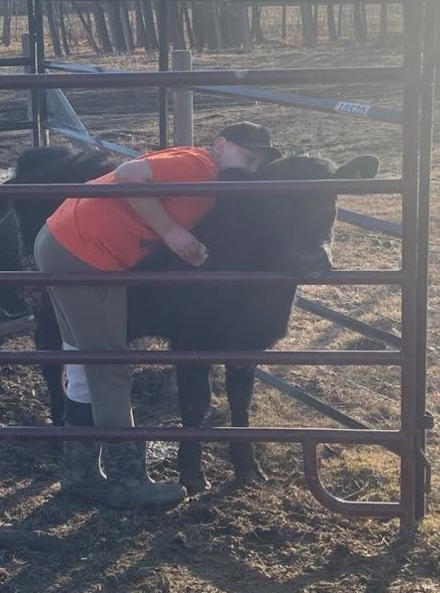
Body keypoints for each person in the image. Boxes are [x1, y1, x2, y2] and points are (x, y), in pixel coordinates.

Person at [33, 122, 282, 508]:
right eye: (245, 157)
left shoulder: (208, 176)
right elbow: (129, 174)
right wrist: (171, 232)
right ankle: (127, 480)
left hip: (64, 241)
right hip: (84, 255)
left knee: (84, 361)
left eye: (256, 164)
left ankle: (80, 473)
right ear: (219, 145)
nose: (249, 169)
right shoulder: (200, 167)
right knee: (108, 366)